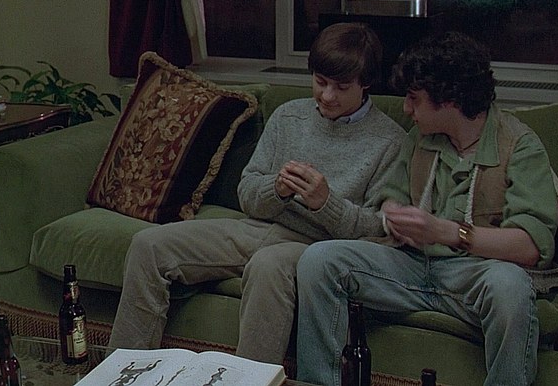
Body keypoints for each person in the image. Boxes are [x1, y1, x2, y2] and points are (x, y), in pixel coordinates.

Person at [108, 22, 406, 365]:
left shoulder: (390, 141)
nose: (327, 96)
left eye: (341, 87)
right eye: (320, 81)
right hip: (257, 228)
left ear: (366, 84)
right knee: (148, 246)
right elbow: (247, 194)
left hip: (318, 249)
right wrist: (276, 188)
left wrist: (327, 204)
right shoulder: (288, 117)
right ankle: (123, 373)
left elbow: (378, 233)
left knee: (267, 266)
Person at [295, 31, 558, 386]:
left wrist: (446, 232)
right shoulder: (420, 138)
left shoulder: (519, 146)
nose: (406, 109)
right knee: (319, 260)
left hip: (477, 274)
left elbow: (530, 246)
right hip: (411, 267)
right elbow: (388, 198)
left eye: (414, 99)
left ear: (449, 100)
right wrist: (396, 215)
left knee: (510, 288)